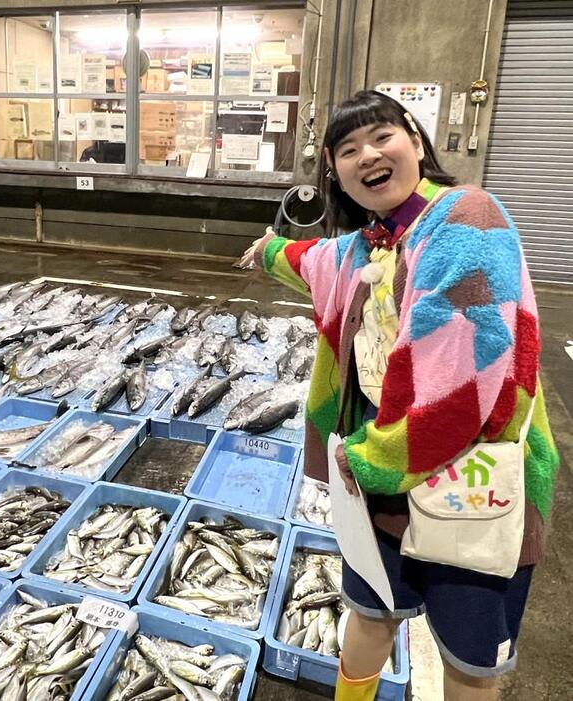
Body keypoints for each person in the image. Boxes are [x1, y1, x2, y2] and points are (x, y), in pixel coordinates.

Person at [239, 90, 559, 701]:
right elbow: (319, 258)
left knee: (469, 661)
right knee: (370, 611)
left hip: (470, 485)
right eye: (348, 150)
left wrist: (367, 458)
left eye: (381, 136)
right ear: (334, 172)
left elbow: (469, 381)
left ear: (415, 139)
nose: (368, 156)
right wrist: (270, 251)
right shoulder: (373, 240)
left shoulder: (468, 220)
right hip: (382, 488)